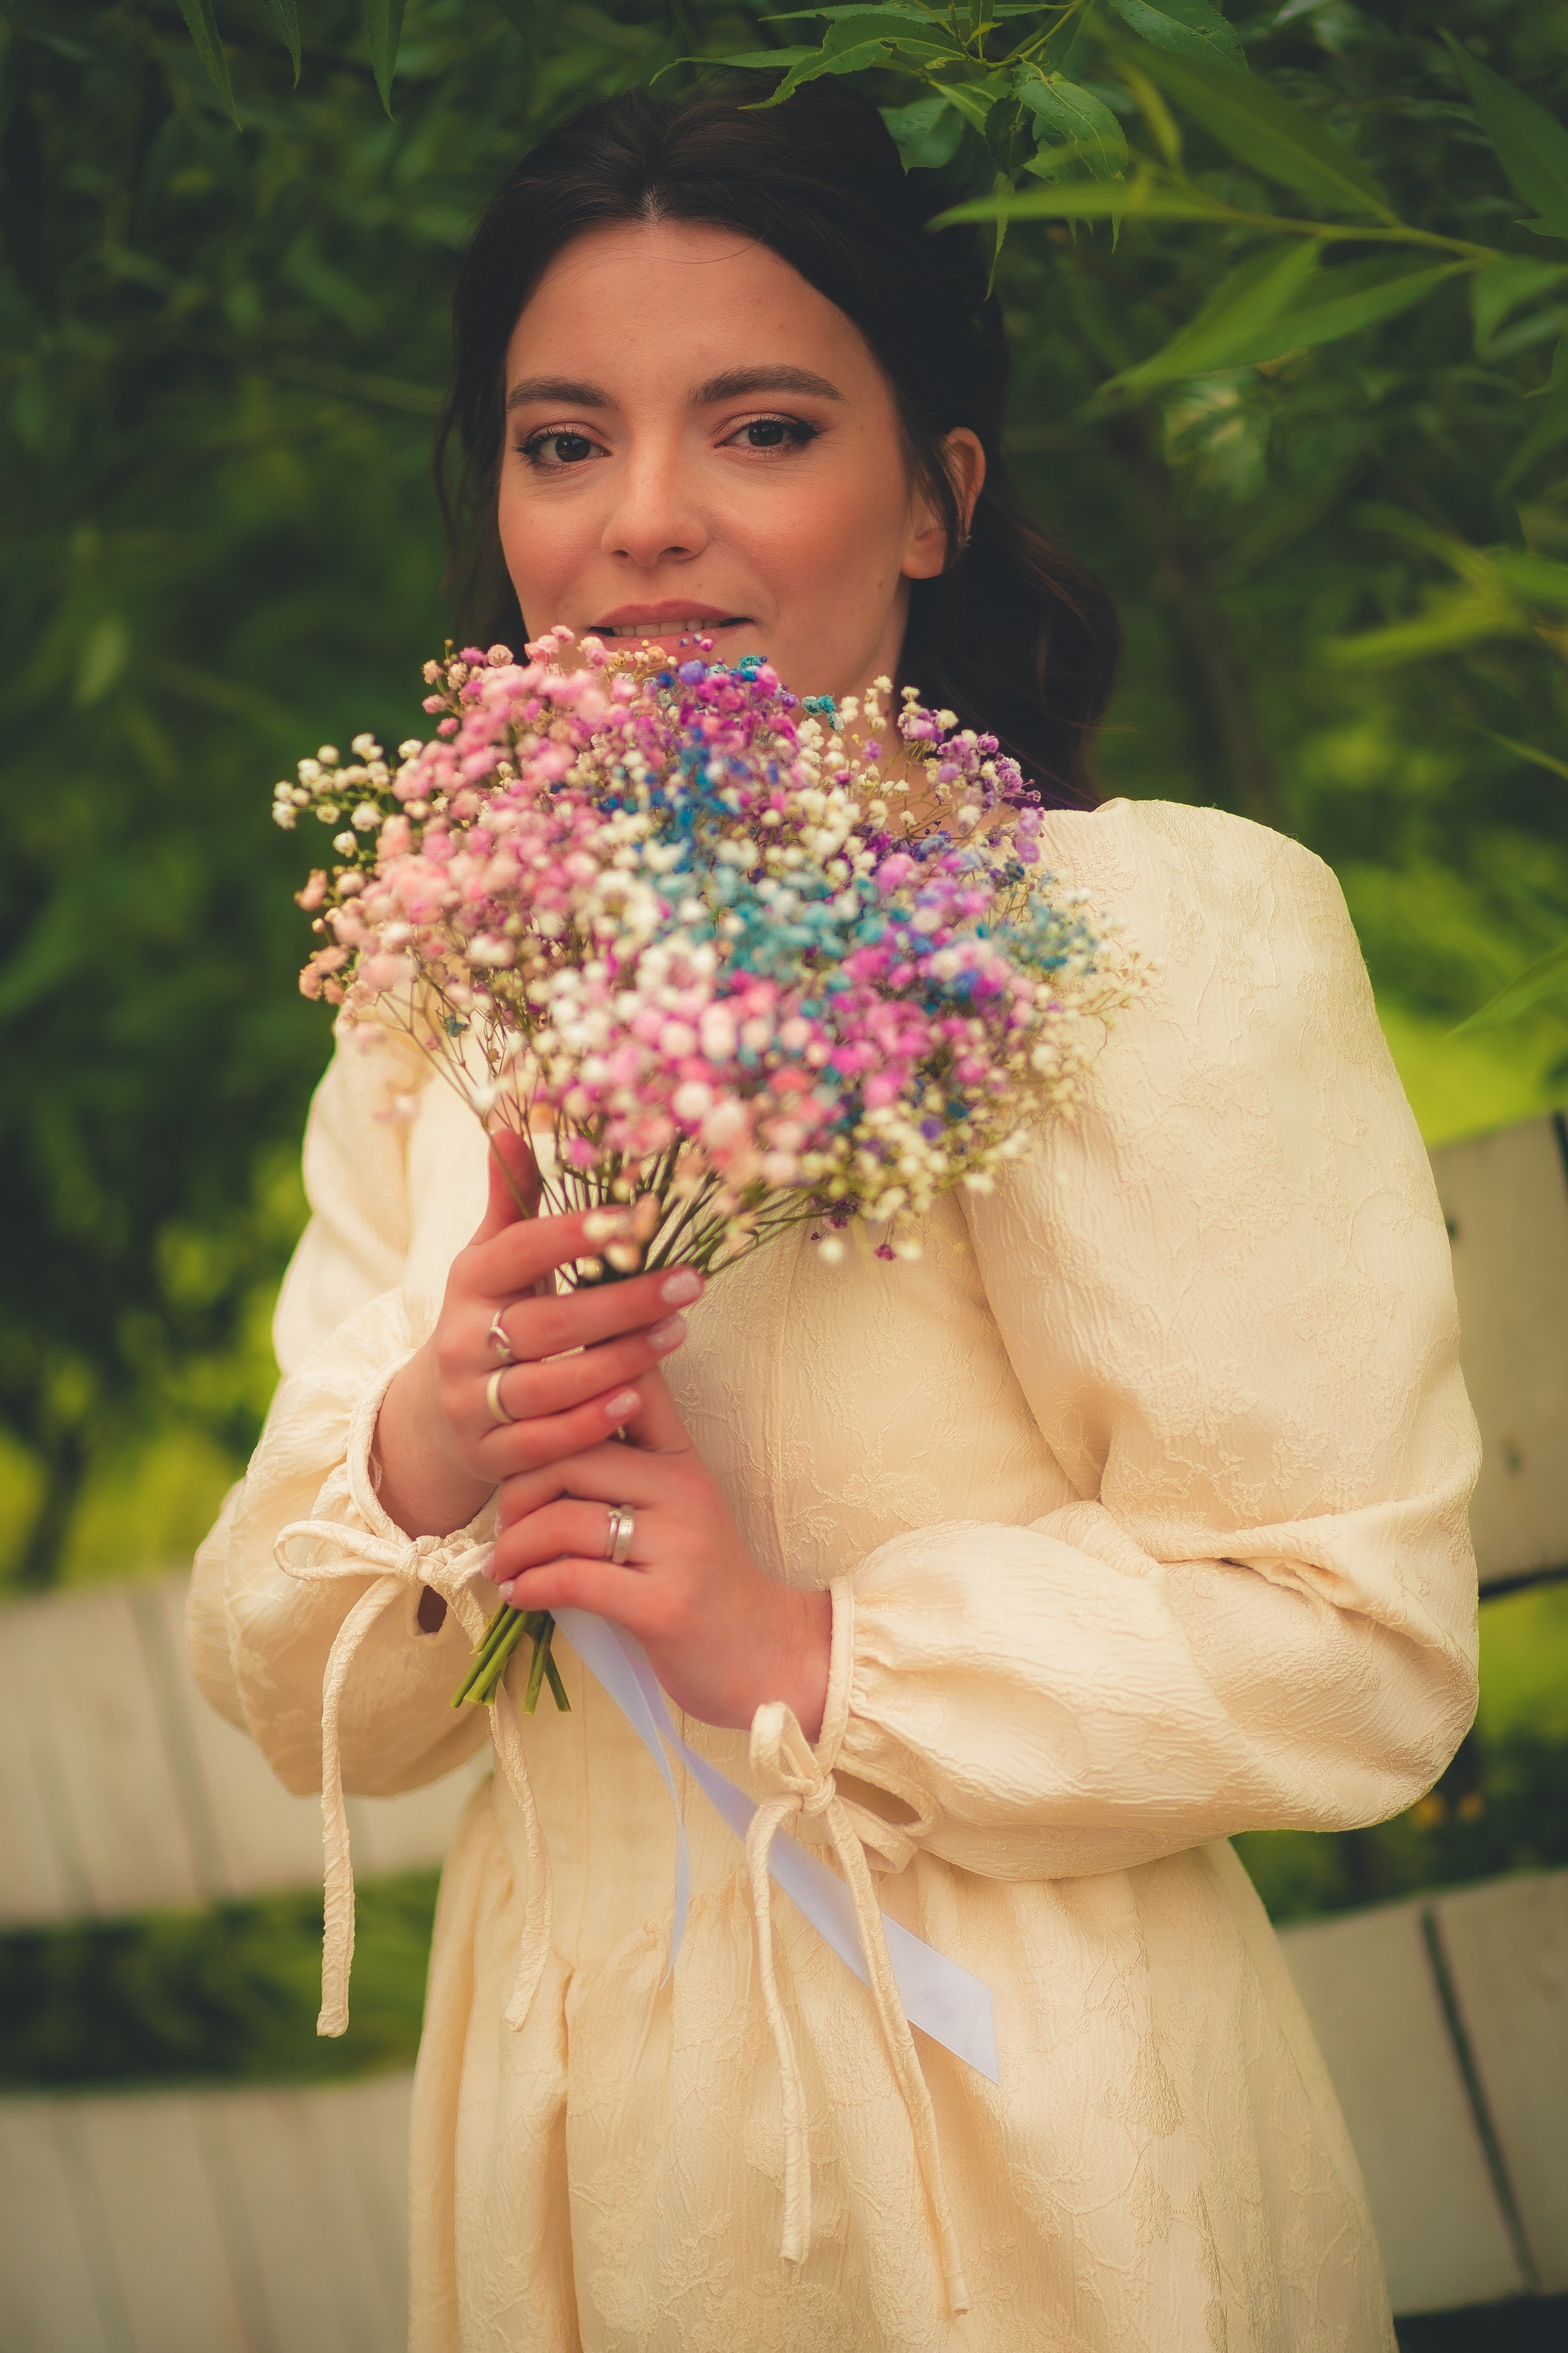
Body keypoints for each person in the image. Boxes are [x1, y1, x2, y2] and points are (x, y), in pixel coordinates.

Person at [189, 78, 1480, 2353]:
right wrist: (432, 1446)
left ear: (936, 500)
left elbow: (1358, 1637)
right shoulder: (437, 990)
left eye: (763, 428)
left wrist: (812, 1655)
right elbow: (304, 1699)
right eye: (562, 441)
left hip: (1012, 2158)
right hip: (567, 2153)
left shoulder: (1131, 939)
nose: (644, 523)